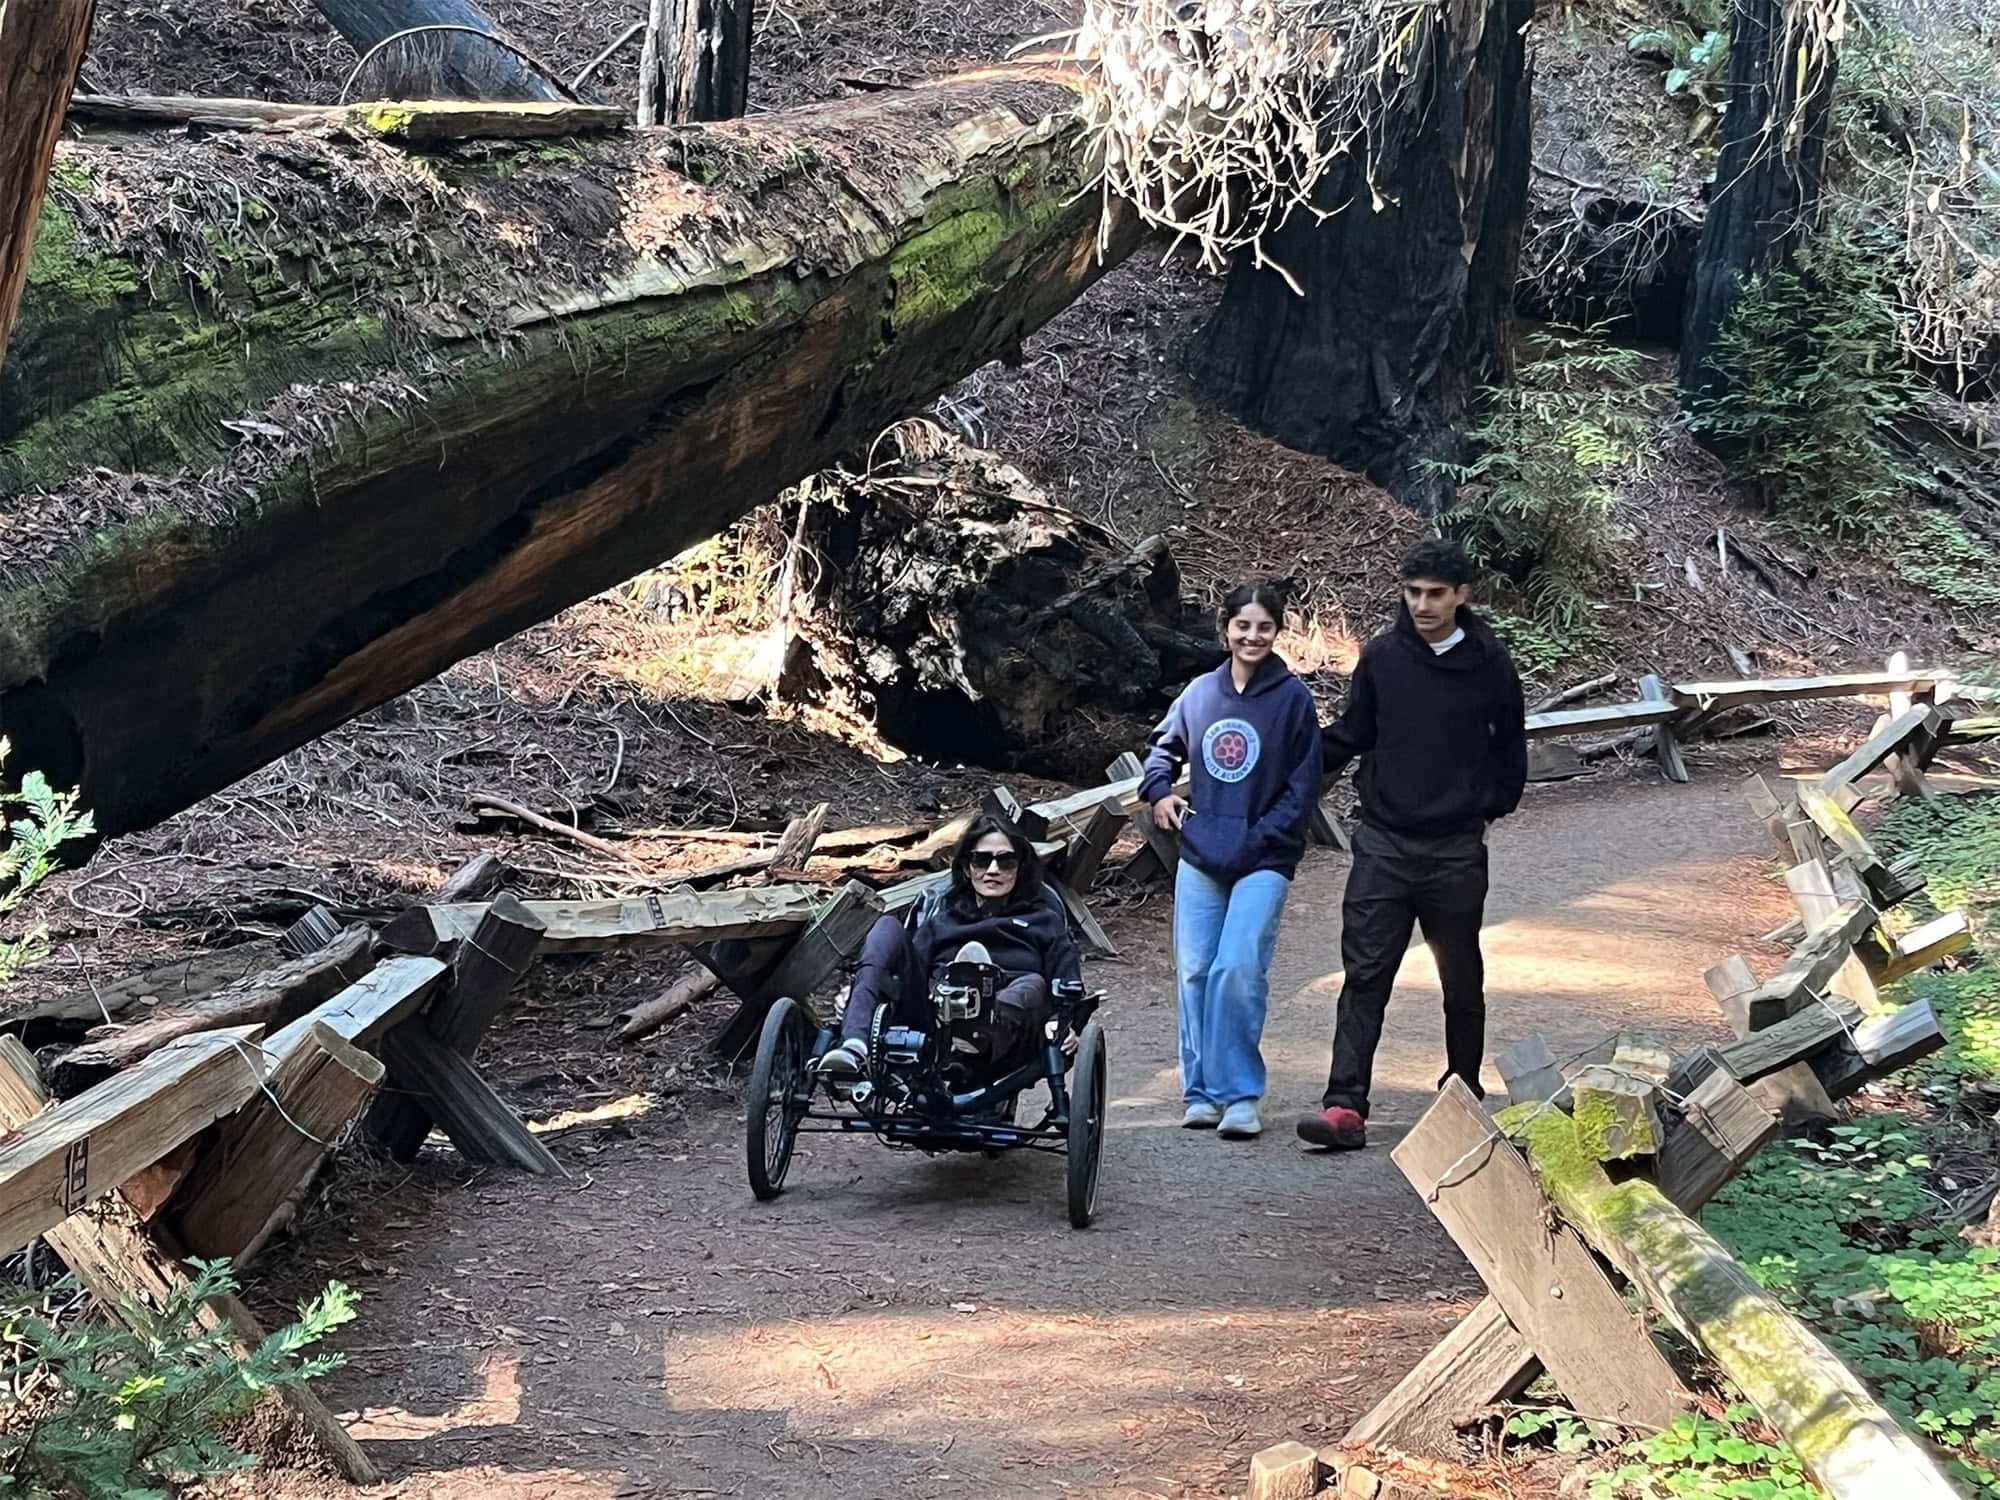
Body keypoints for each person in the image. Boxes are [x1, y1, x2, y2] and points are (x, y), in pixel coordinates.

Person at [1296, 538, 1526, 1152]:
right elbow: (1354, 732)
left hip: (1455, 848)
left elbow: (1510, 750)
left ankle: (1463, 1091)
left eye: (1435, 594)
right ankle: (1344, 1105)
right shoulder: (1383, 658)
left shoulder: (1491, 665)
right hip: (1384, 845)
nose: (1422, 604)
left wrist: (1488, 807)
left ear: (1462, 596)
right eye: (1413, 591)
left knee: (1460, 975)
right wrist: (1291, 757)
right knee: (1365, 974)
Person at [1140, 582, 1322, 1141]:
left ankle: (1239, 1095)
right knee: (1195, 971)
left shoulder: (1292, 700)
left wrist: (1260, 836)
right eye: (1242, 626)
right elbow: (1160, 749)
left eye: (1263, 626)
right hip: (1202, 853)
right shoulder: (1199, 693)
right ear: (1225, 629)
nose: (1252, 636)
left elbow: (1302, 787)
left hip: (1265, 857)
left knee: (1238, 967)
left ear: (1276, 631)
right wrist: (1161, 791)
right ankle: (1200, 1093)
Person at [817, 816, 1080, 1076]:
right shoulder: (944, 916)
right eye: (981, 860)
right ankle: (854, 1045)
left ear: (1020, 867)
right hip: (934, 1016)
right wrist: (862, 988)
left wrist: (1065, 1022)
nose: (993, 870)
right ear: (967, 867)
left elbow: (1067, 981)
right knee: (887, 926)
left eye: (1006, 861)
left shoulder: (1043, 917)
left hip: (1011, 1022)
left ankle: (976, 1028)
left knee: (1032, 984)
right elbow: (908, 970)